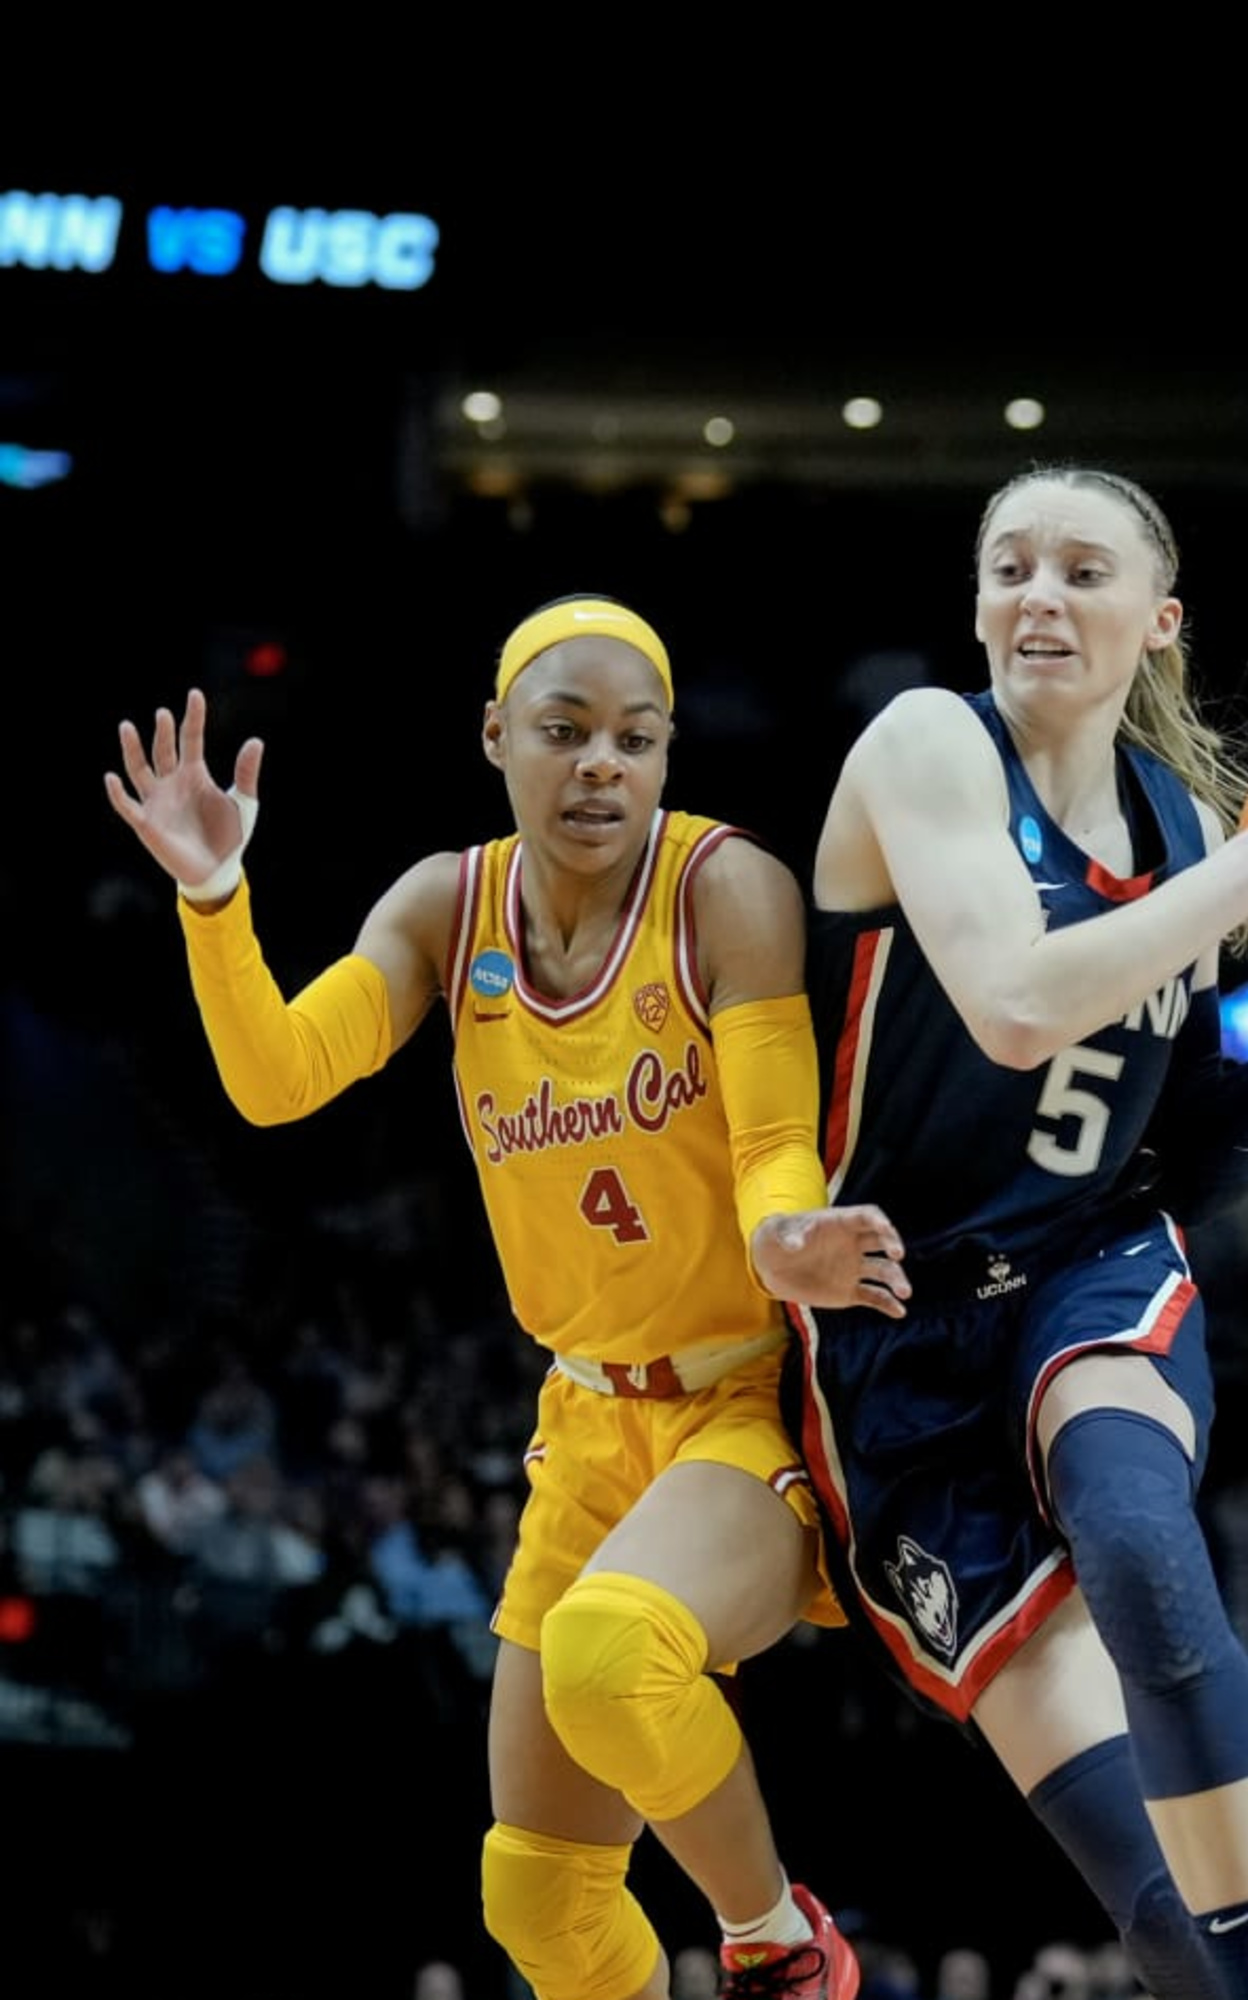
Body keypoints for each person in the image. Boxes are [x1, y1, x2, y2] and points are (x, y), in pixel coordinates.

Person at [104, 598, 901, 2000]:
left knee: (609, 1655)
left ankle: (783, 1944)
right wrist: (216, 904)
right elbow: (280, 1078)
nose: (602, 765)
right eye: (566, 732)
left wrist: (786, 1235)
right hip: (583, 1419)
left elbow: (778, 1141)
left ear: (664, 759)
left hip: (743, 1401)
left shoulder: (729, 889)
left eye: (635, 741)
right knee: (534, 1898)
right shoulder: (444, 904)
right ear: (496, 738)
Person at [789, 464, 1248, 2000]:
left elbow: (1184, 1155)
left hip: (1089, 1266)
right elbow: (1012, 1003)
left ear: (1158, 622)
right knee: (1159, 1914)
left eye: (1080, 569)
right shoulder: (929, 744)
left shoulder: (1185, 821)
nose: (1038, 595)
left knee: (1137, 1537)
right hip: (895, 1337)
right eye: (1011, 567)